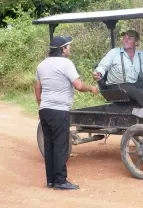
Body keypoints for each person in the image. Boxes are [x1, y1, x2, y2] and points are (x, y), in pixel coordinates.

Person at [35, 36, 98, 190]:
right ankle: (61, 181)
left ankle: (51, 180)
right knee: (60, 146)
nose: (69, 48)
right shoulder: (65, 63)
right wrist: (91, 88)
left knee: (49, 145)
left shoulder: (41, 65)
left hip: (45, 109)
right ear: (62, 49)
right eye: (68, 46)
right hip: (59, 111)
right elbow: (78, 85)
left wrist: (41, 104)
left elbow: (37, 88)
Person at [93, 30, 143, 118]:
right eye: (124, 38)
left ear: (136, 42)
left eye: (130, 38)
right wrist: (99, 73)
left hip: (133, 85)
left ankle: (136, 109)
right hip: (116, 86)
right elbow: (102, 66)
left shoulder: (141, 55)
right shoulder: (114, 53)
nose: (126, 40)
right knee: (139, 93)